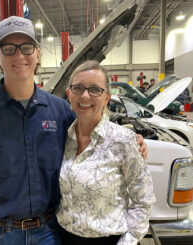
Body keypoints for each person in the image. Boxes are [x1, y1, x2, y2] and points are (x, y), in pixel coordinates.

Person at [0, 16, 148, 245]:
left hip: (48, 233)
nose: (19, 56)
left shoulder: (61, 111)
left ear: (38, 54)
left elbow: (94, 130)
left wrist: (132, 141)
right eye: (8, 49)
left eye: (27, 47)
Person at [56, 60, 155, 245]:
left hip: (109, 240)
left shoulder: (123, 140)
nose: (85, 96)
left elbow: (143, 200)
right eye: (78, 88)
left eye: (95, 89)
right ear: (69, 94)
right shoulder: (63, 138)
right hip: (64, 238)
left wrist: (128, 241)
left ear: (107, 97)